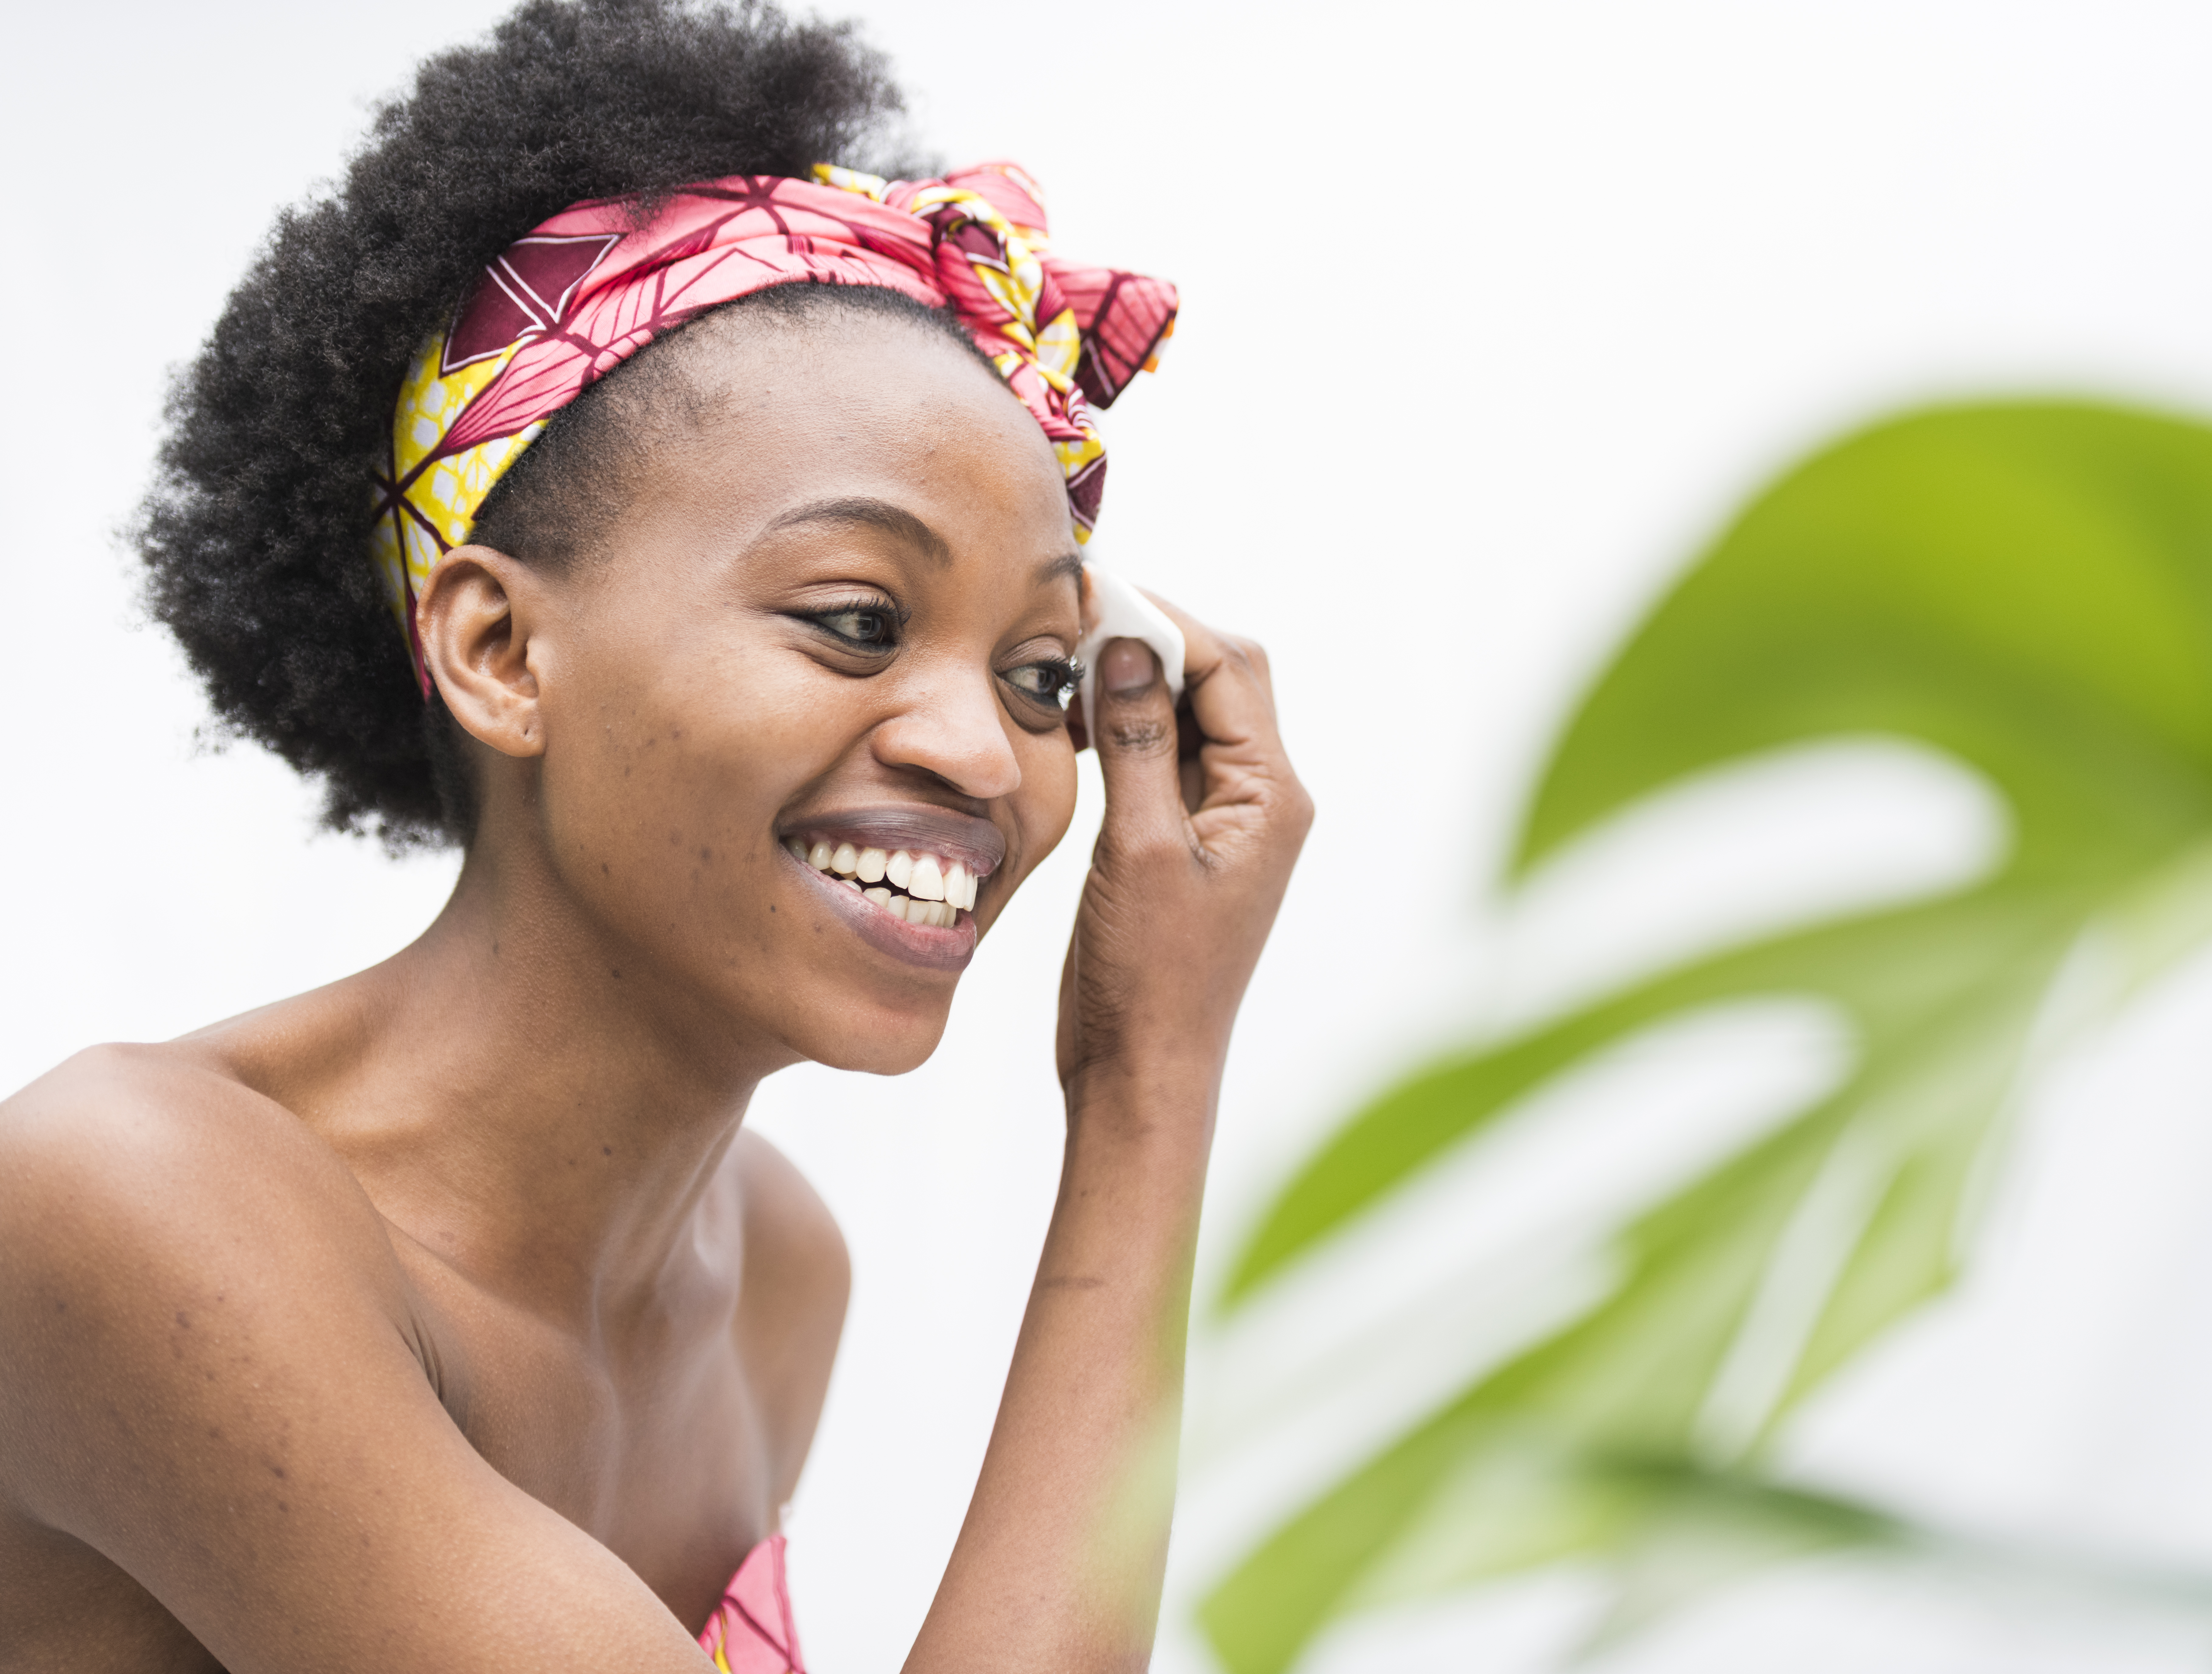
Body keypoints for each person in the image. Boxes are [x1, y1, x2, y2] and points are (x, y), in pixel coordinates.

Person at [0, 1, 1309, 1669]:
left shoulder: (770, 1275)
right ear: (499, 651)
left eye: (1045, 670)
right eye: (853, 617)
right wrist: (1146, 1088)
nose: (986, 750)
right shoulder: (131, 1203)